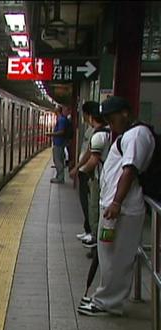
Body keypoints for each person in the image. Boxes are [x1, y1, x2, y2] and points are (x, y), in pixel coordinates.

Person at [77, 96, 155, 316]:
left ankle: (108, 302)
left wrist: (117, 202)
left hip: (124, 209)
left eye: (112, 119)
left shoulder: (137, 135)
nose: (111, 125)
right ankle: (104, 298)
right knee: (109, 255)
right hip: (116, 208)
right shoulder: (130, 134)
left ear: (125, 113)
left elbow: (129, 170)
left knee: (117, 258)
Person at [69, 101, 111, 302]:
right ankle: (96, 245)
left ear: (89, 115)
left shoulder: (100, 135)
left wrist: (80, 171)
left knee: (94, 212)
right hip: (100, 182)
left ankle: (96, 249)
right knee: (94, 213)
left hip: (98, 182)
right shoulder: (104, 133)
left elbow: (92, 158)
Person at [69, 102, 98, 243]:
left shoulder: (97, 132)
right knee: (85, 202)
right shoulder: (91, 130)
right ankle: (88, 229)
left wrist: (80, 168)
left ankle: (91, 233)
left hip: (88, 172)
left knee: (90, 204)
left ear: (89, 114)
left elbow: (90, 154)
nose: (84, 117)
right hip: (84, 170)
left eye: (84, 114)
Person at [45, 105, 69, 183]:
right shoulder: (61, 119)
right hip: (59, 143)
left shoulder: (61, 120)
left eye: (55, 107)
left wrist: (50, 134)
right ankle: (59, 176)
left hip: (59, 143)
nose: (54, 108)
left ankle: (60, 178)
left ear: (58, 110)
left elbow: (61, 132)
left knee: (57, 160)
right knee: (59, 160)